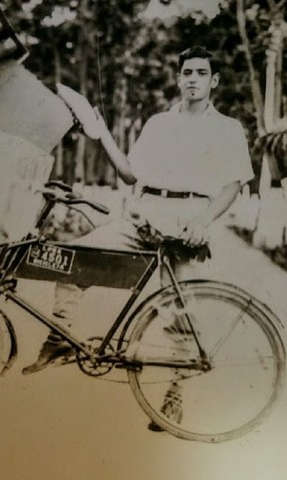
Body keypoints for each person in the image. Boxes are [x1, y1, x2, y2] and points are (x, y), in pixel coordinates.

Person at [22, 46, 254, 391]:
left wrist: (204, 220)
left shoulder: (228, 129)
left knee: (181, 314)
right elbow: (131, 175)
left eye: (201, 73)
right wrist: (102, 136)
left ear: (214, 81)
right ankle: (58, 341)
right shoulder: (159, 123)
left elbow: (233, 184)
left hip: (187, 228)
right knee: (72, 262)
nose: (193, 79)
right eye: (187, 72)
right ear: (179, 79)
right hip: (143, 221)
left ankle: (177, 392)